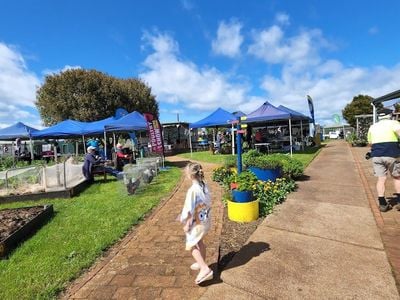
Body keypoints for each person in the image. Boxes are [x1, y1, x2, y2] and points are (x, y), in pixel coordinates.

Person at [179, 163, 213, 285]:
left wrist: (187, 224)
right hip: (205, 220)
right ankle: (201, 262)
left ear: (189, 175)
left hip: (197, 222)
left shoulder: (192, 190)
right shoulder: (204, 185)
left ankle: (205, 269)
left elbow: (189, 209)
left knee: (191, 244)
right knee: (199, 241)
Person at [367, 109, 400, 212]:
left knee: (381, 179)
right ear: (389, 115)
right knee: (397, 177)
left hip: (377, 155)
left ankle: (382, 203)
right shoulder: (394, 123)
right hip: (392, 154)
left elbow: (370, 142)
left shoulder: (373, 127)